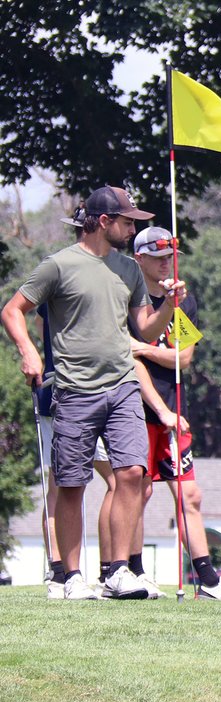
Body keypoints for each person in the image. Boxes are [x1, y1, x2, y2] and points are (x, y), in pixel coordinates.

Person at [2, 186, 186, 601]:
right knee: (72, 484)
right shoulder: (59, 265)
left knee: (133, 475)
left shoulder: (129, 269)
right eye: (127, 221)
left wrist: (170, 307)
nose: (131, 227)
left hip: (122, 385)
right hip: (75, 389)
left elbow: (147, 328)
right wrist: (29, 352)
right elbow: (12, 310)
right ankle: (68, 577)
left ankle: (118, 571)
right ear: (104, 222)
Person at [128, 227, 221, 603]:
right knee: (139, 492)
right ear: (139, 259)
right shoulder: (130, 300)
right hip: (138, 409)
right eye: (156, 256)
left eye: (169, 255)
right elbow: (128, 357)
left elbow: (185, 357)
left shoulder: (184, 300)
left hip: (175, 411)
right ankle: (133, 572)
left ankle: (208, 579)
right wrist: (159, 405)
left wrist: (146, 350)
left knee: (190, 495)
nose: (165, 262)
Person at [37, 210, 120, 600]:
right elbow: (45, 337)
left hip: (101, 392)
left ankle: (111, 571)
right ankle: (59, 572)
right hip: (63, 392)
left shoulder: (107, 273)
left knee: (118, 479)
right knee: (61, 484)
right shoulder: (59, 273)